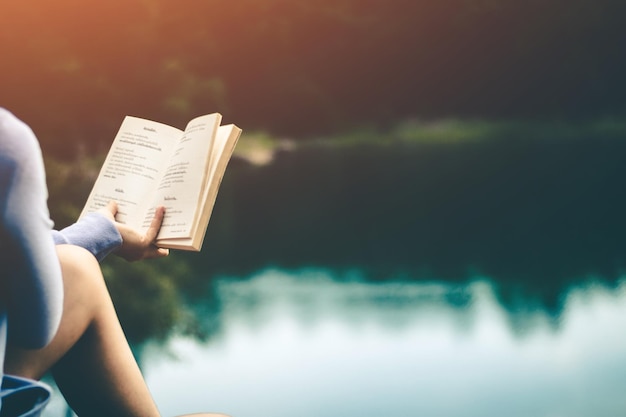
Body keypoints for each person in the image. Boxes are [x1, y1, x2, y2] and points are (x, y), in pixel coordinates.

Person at [0, 108, 229, 417]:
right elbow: (37, 328)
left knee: (74, 269)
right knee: (76, 271)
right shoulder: (9, 144)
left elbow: (36, 257)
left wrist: (104, 232)